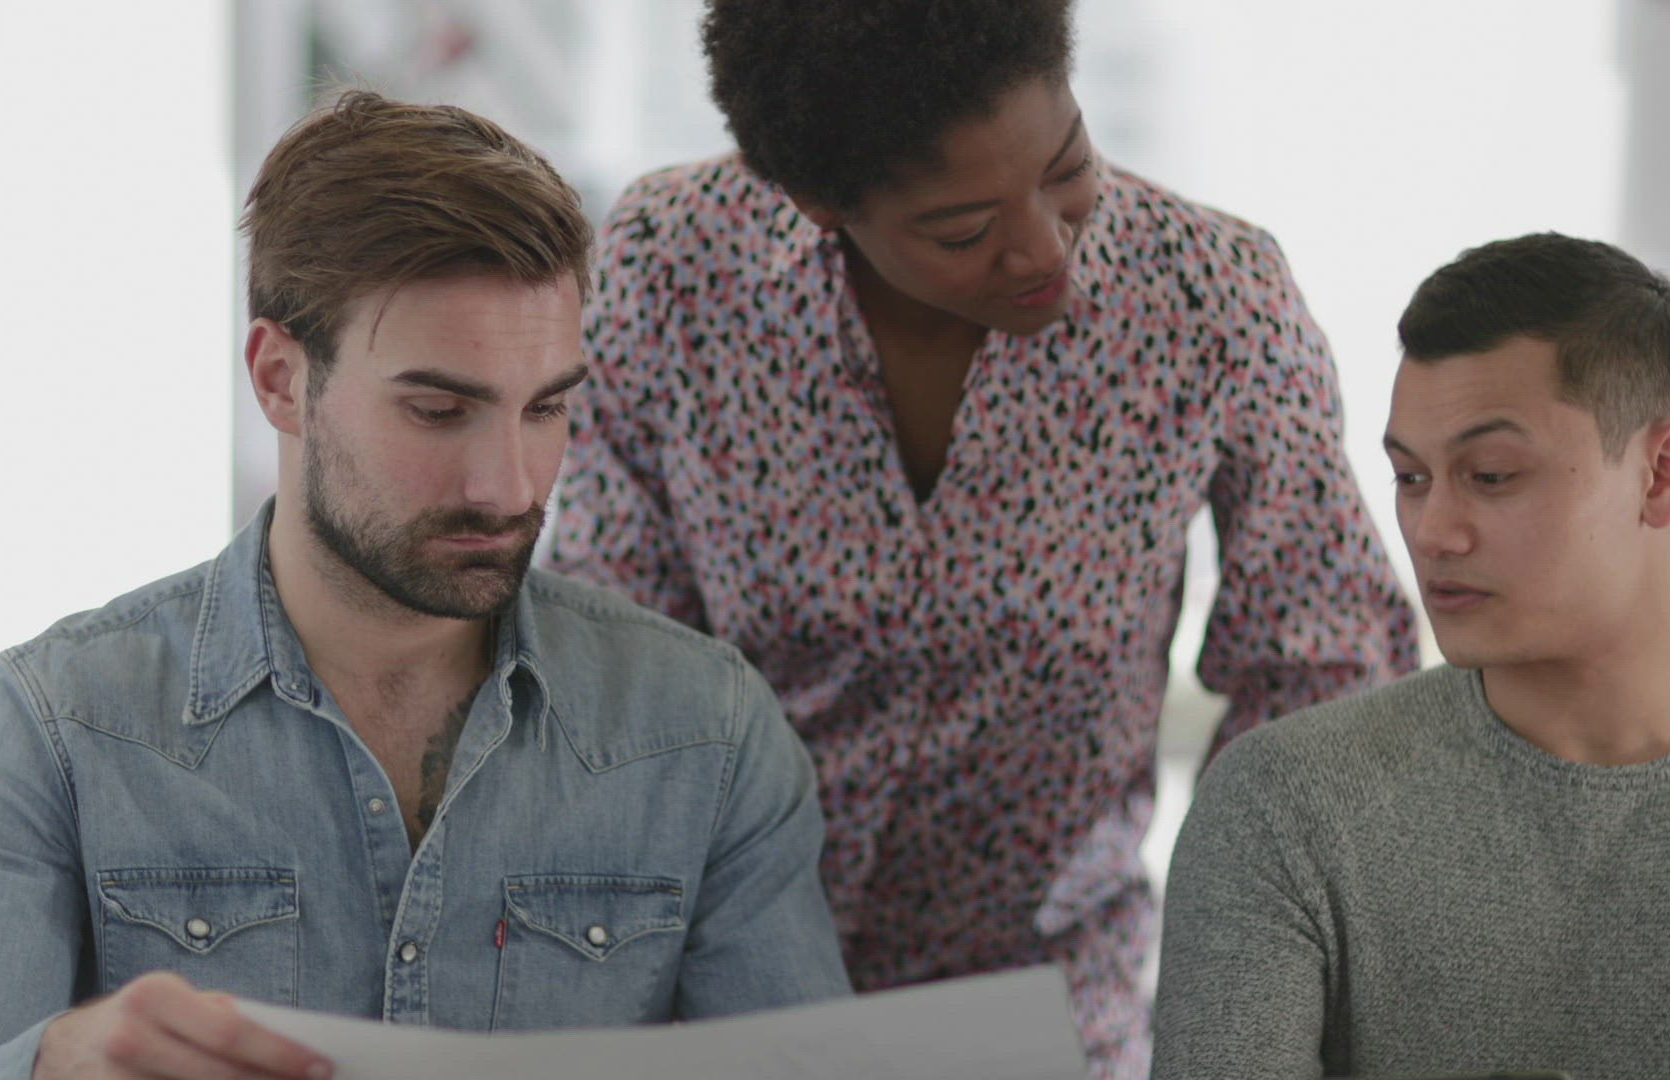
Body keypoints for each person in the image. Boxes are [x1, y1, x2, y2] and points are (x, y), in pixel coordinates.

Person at [0, 92, 849, 1080]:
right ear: (280, 380)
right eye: (437, 410)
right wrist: (50, 1067)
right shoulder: (58, 730)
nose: (507, 486)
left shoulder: (704, 733)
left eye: (544, 409)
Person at [543, 2, 1417, 1074]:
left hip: (1056, 1002)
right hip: (721, 989)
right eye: (961, 230)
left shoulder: (1211, 299)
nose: (1045, 246)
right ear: (821, 204)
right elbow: (612, 671)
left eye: (1068, 166)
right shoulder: (670, 266)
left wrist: (1236, 1001)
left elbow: (1318, 678)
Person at [1151, 232, 1670, 1079]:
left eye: (1490, 475)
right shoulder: (1284, 806)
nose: (1432, 533)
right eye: (1412, 478)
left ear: (1663, 474)